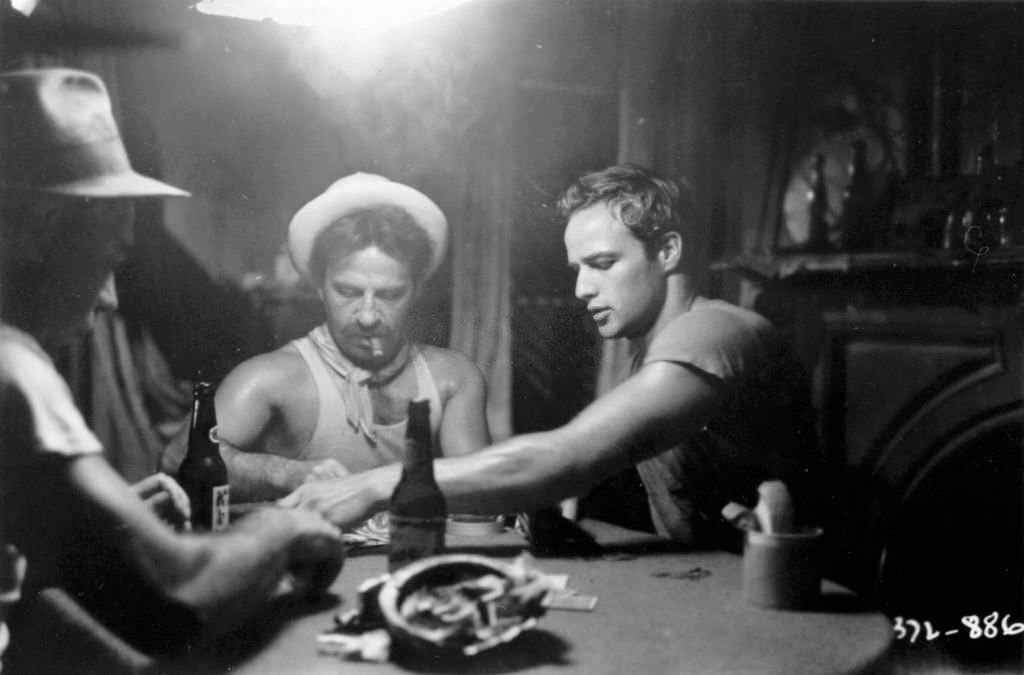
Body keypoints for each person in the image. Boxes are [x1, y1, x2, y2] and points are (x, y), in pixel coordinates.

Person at [281, 164, 821, 545]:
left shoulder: (711, 333)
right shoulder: (658, 347)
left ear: (668, 251)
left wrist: (375, 485)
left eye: (603, 262)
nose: (582, 289)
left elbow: (569, 456)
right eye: (576, 269)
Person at [0, 68, 344, 665]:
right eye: (104, 258)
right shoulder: (11, 364)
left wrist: (104, 534)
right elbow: (174, 599)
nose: (107, 299)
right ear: (36, 230)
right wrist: (288, 528)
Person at [167, 172, 490, 502]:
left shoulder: (452, 379)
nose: (367, 316)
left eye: (390, 295)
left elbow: (482, 498)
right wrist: (286, 473)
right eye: (348, 292)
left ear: (417, 290)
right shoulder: (272, 378)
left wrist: (370, 488)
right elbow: (176, 460)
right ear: (320, 286)